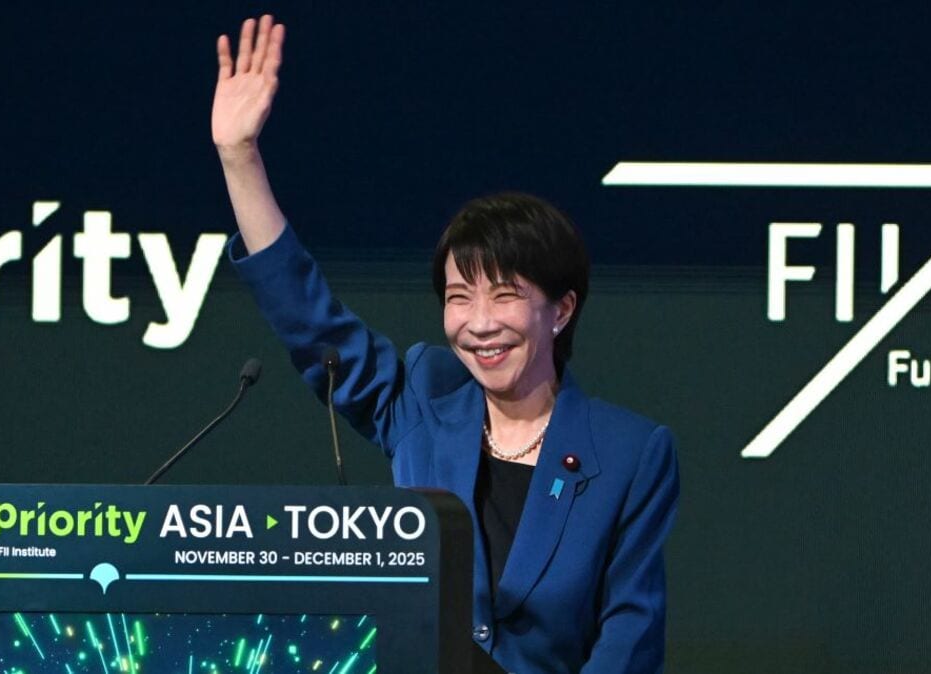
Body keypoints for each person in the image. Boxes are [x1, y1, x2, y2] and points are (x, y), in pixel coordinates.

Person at [212, 15, 679, 673]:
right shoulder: (423, 401)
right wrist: (240, 158)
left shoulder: (630, 452)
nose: (479, 323)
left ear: (561, 309)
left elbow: (629, 643)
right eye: (459, 297)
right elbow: (311, 323)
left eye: (505, 295)